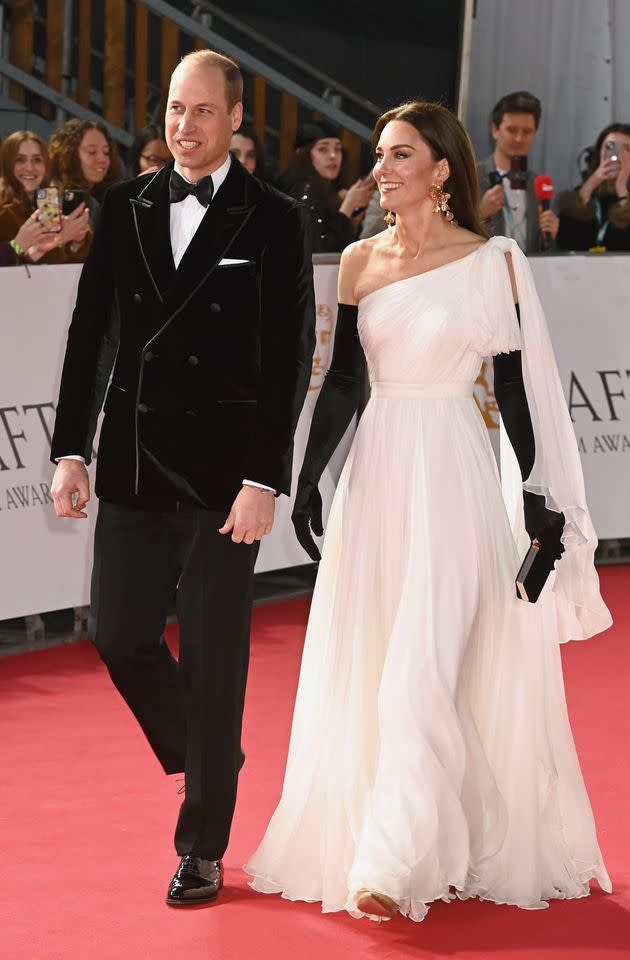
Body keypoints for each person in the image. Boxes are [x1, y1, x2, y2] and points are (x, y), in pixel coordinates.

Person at [245, 101, 612, 923]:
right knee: (379, 653)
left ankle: (392, 857)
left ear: (441, 171)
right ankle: (415, 837)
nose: (383, 168)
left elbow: (513, 390)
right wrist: (310, 477)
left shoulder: (494, 263)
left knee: (425, 661)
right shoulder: (357, 262)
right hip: (378, 474)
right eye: (379, 154)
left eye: (400, 154)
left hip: (453, 471)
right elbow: (344, 380)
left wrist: (534, 488)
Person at [49, 49, 315, 908]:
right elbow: (91, 338)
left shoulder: (272, 220)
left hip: (221, 481)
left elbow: (288, 362)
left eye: (203, 111)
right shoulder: (123, 207)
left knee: (213, 664)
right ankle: (210, 751)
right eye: (173, 109)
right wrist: (70, 450)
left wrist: (264, 477)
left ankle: (202, 845)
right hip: (129, 462)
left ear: (236, 119)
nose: (184, 126)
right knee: (120, 635)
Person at [477, 91, 558, 252]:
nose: (519, 139)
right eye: (512, 130)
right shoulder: (471, 176)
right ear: (495, 130)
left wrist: (550, 237)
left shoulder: (539, 184)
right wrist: (480, 213)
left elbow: (545, 251)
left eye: (527, 132)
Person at [276, 121, 372, 252]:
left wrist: (352, 221)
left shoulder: (329, 189)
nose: (333, 156)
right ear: (303, 154)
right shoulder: (305, 189)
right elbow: (318, 251)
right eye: (323, 149)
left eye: (337, 149)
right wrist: (347, 207)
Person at [0, 130, 91, 263]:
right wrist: (17, 245)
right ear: (7, 165)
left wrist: (77, 241)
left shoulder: (52, 206)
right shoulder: (3, 212)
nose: (29, 168)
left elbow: (76, 267)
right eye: (20, 160)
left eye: (37, 160)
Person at [557, 123, 630, 252]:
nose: (618, 154)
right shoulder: (585, 194)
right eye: (611, 147)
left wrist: (622, 192)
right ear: (599, 153)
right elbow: (565, 239)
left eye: (626, 149)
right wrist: (592, 183)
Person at [48, 118, 122, 227]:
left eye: (106, 152)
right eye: (92, 152)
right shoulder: (49, 198)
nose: (102, 159)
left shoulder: (95, 203)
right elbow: (47, 242)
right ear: (69, 155)